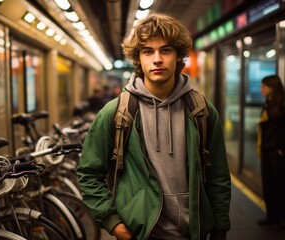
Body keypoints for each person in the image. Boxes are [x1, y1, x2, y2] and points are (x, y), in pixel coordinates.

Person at [77, 12, 231, 240]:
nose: (157, 59)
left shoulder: (202, 111)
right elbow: (89, 174)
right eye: (148, 51)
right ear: (138, 59)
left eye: (165, 50)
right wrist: (113, 223)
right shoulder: (116, 113)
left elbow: (218, 176)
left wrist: (220, 228)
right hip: (141, 233)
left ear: (178, 56)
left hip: (194, 231)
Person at [257, 75, 285, 226]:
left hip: (277, 150)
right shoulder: (267, 103)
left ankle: (281, 217)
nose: (261, 90)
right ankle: (271, 215)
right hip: (267, 149)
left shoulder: (281, 104)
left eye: (264, 87)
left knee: (279, 183)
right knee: (268, 183)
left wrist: (282, 148)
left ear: (272, 88)